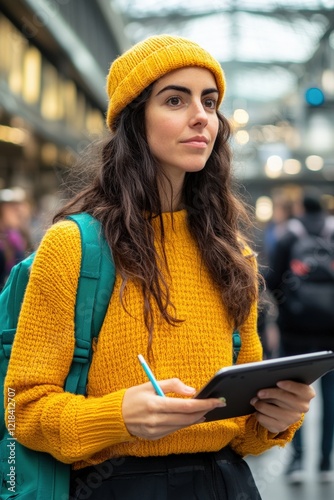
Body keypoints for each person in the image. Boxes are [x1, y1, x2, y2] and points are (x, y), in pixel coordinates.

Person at [5, 34, 315, 500]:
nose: (201, 117)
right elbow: (21, 411)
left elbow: (244, 432)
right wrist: (118, 416)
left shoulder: (233, 255)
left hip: (227, 484)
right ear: (134, 120)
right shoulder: (74, 247)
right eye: (175, 99)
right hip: (116, 486)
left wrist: (276, 418)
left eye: (209, 103)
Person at [266, 188, 334, 484]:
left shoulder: (289, 235)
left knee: (292, 394)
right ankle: (325, 463)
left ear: (301, 208)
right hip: (332, 331)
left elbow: (271, 278)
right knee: (331, 396)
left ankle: (295, 461)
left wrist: (285, 309)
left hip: (295, 331)